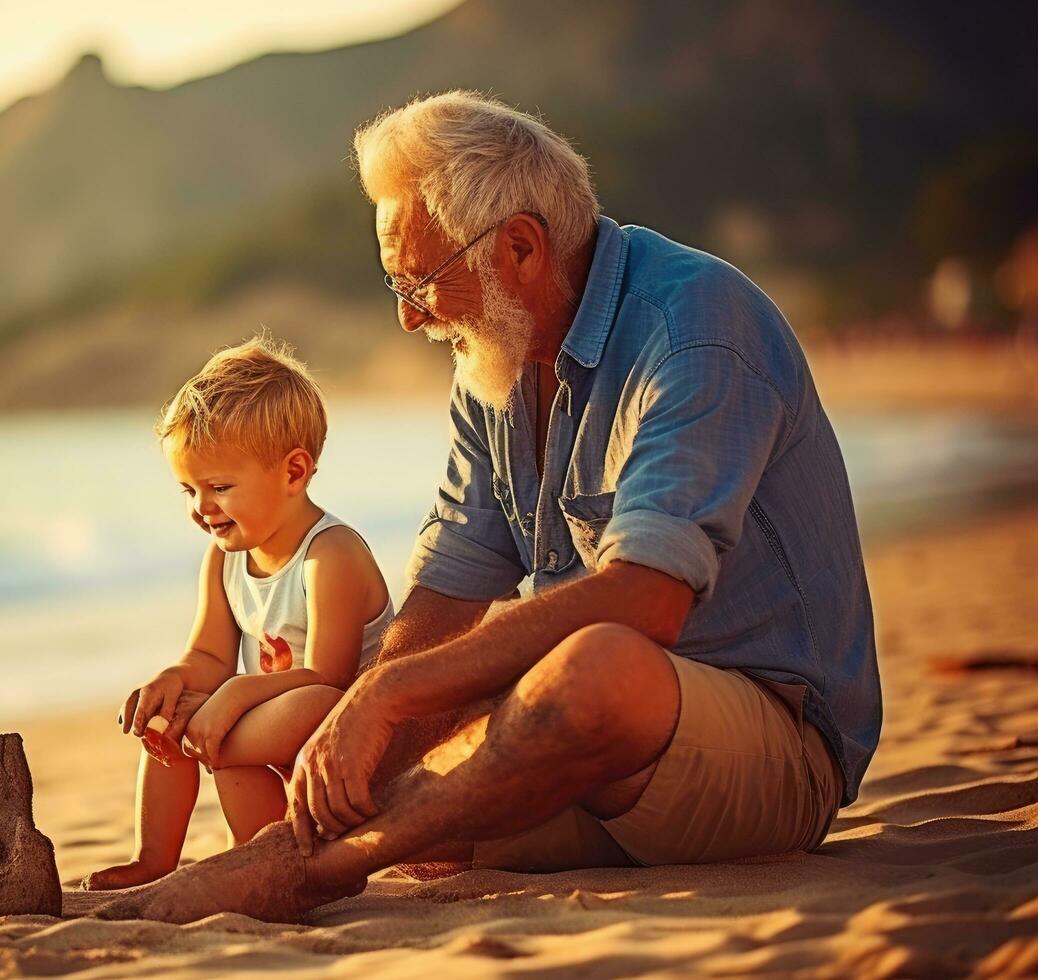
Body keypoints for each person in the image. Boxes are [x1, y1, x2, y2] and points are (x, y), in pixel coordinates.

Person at [97, 91, 882, 924]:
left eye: (421, 281)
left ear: (520, 248)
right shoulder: (497, 365)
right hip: (590, 760)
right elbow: (446, 592)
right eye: (393, 284)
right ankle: (301, 850)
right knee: (405, 767)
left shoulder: (692, 329)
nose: (407, 316)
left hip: (768, 745)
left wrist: (388, 697)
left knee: (593, 665)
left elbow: (646, 598)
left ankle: (312, 870)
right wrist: (375, 708)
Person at [83, 336, 394, 890]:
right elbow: (207, 655)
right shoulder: (224, 561)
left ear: (294, 473)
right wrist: (175, 680)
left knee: (232, 725)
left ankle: (281, 860)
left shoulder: (331, 554)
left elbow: (332, 679)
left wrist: (231, 696)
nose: (201, 508)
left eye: (219, 487)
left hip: (345, 734)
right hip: (269, 724)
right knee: (171, 717)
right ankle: (162, 858)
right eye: (189, 489)